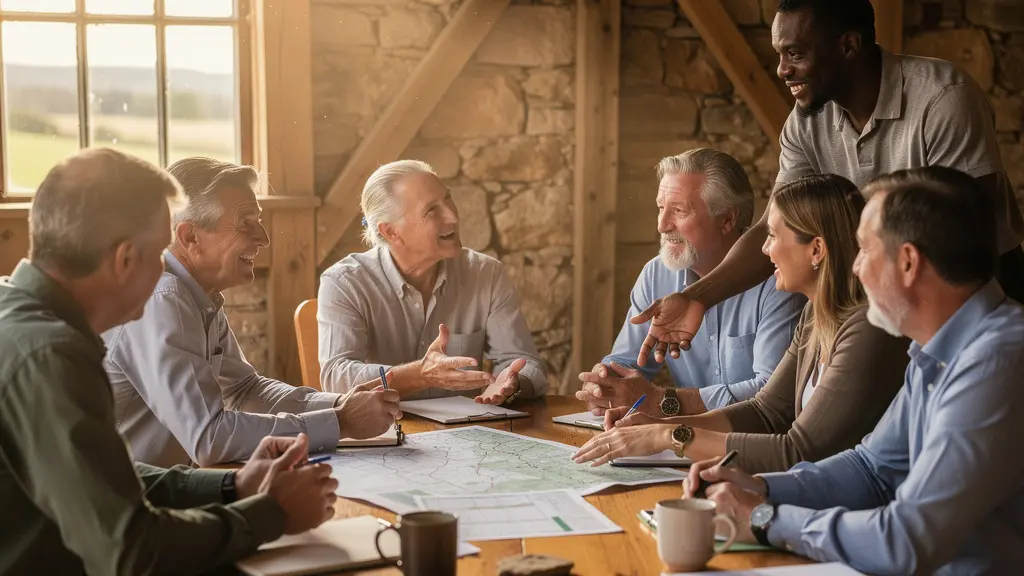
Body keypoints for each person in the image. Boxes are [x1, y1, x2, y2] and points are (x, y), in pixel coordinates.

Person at [630, 0, 1024, 367]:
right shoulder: (804, 124)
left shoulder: (943, 97)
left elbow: (967, 233)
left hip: (978, 299)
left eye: (795, 54)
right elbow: (774, 227)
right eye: (780, 55)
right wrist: (695, 297)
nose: (782, 69)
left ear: (849, 45)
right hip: (882, 301)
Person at [0, 148, 338, 574]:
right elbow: (133, 550)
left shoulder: (19, 313)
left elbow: (112, 477)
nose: (167, 269)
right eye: (161, 252)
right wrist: (270, 514)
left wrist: (232, 485)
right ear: (125, 259)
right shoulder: (50, 356)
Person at [684, 166, 1024, 575]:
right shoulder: (934, 349)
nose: (856, 268)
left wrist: (764, 518)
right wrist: (761, 487)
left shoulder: (997, 362)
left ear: (908, 262)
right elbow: (872, 469)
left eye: (864, 249)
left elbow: (909, 540)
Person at [572, 174, 908, 474]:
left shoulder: (867, 327)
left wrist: (666, 435)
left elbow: (798, 450)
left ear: (816, 250)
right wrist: (658, 424)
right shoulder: (815, 313)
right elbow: (767, 411)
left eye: (773, 236)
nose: (763, 250)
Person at [103, 157, 400, 468]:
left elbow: (246, 389)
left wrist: (340, 404)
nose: (263, 238)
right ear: (190, 237)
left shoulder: (194, 293)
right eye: (246, 223)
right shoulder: (162, 297)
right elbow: (209, 438)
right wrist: (342, 422)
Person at [575, 149, 804, 418]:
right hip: (681, 443)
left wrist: (662, 400)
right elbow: (627, 361)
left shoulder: (779, 278)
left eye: (679, 211)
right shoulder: (655, 274)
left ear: (728, 219)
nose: (662, 225)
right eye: (661, 208)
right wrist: (606, 383)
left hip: (758, 447)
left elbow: (772, 394)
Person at [318, 159, 548, 403]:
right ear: (390, 231)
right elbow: (336, 377)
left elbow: (525, 363)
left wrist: (513, 384)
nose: (452, 216)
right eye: (431, 210)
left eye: (448, 198)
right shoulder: (345, 283)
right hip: (383, 432)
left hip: (469, 434)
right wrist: (420, 375)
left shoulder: (486, 273)